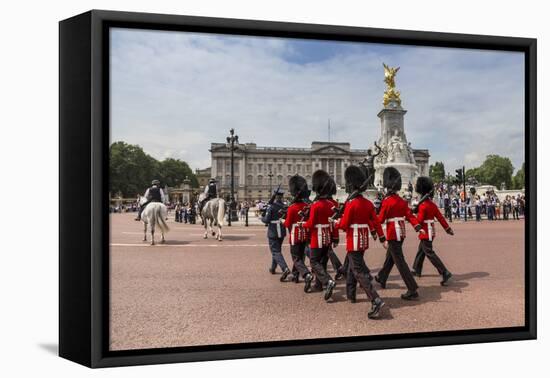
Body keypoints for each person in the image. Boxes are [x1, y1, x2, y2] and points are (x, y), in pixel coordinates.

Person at [334, 165, 386, 318]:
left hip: (354, 239)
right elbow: (375, 223)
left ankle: (374, 298)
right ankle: (351, 294)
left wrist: (335, 222)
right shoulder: (368, 204)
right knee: (351, 266)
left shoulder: (351, 204)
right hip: (363, 240)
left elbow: (344, 225)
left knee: (358, 271)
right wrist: (382, 237)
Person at [374, 167, 424, 300]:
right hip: (401, 233)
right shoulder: (402, 201)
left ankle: (412, 288)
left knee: (399, 261)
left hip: (392, 233)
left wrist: (371, 219)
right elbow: (410, 216)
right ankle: (382, 277)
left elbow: (381, 219)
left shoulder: (387, 201)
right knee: (391, 257)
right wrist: (418, 226)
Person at [300, 170, 337, 301]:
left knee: (314, 261)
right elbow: (332, 222)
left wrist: (302, 224)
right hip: (327, 236)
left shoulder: (316, 205)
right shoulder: (331, 204)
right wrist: (335, 237)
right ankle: (318, 284)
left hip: (317, 237)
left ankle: (328, 282)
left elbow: (311, 224)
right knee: (322, 262)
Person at [411, 177, 454, 285]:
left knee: (429, 253)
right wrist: (447, 229)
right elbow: (441, 218)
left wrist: (412, 215)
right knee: (421, 250)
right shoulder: (432, 205)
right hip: (431, 231)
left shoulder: (423, 206)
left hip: (425, 232)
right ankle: (417, 269)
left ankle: (444, 272)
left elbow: (419, 221)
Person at [283, 175, 314, 291]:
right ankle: (295, 275)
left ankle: (306, 274)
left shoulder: (292, 207)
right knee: (301, 255)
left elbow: (287, 224)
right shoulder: (307, 206)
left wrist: (282, 220)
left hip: (295, 234)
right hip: (304, 233)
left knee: (296, 257)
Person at [261, 187, 290, 281]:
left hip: (273, 230)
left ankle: (284, 268)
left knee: (275, 251)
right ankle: (273, 268)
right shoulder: (285, 206)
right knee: (277, 250)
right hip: (281, 230)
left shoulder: (272, 206)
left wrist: (262, 218)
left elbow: (267, 220)